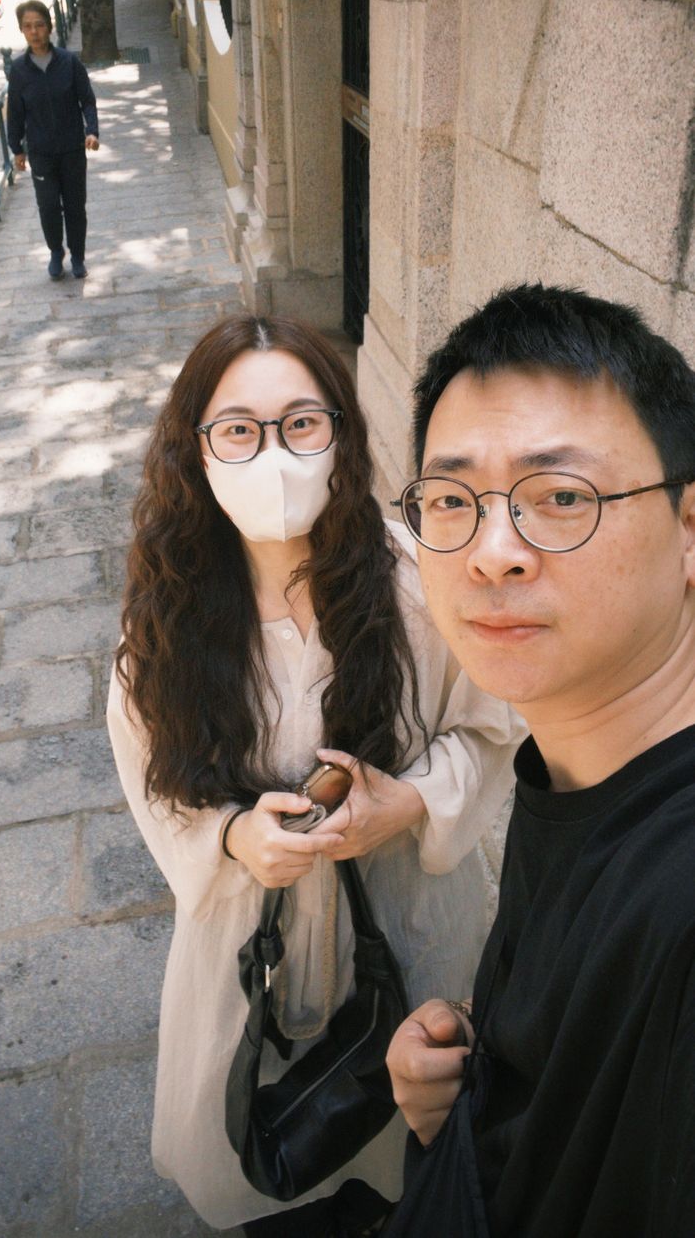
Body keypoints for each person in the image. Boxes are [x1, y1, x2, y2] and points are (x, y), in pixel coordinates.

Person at [107, 314, 525, 1235]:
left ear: (340, 431)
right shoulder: (172, 612)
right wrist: (233, 836)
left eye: (300, 423)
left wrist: (409, 801)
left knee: (416, 1164)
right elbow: (153, 778)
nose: (273, 454)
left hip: (412, 931)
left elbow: (495, 724)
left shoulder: (420, 580)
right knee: (264, 1175)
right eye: (238, 429)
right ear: (196, 448)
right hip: (247, 953)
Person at [385, 283, 695, 1238]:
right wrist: (469, 1092)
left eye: (561, 497)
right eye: (451, 501)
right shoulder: (575, 762)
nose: (493, 552)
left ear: (689, 527)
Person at [6, 0, 99, 281]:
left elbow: (87, 100)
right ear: (22, 30)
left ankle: (78, 256)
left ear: (49, 27)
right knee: (48, 207)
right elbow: (15, 112)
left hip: (72, 149)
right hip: (41, 153)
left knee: (75, 206)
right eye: (28, 27)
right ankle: (56, 252)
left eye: (39, 25)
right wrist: (16, 148)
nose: (34, 32)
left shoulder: (69, 62)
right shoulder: (19, 70)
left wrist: (92, 131)